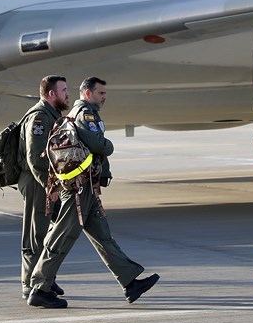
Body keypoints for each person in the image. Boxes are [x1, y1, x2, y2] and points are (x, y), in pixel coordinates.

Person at [27, 77, 159, 308]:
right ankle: (39, 288)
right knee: (63, 236)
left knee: (103, 237)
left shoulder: (84, 111)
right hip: (79, 188)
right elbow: (97, 143)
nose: (104, 97)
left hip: (85, 185)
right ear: (88, 94)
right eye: (100, 93)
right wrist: (110, 146)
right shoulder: (85, 113)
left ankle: (130, 282)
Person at [18, 75, 69, 300]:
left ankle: (46, 279)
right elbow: (35, 158)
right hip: (37, 181)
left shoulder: (52, 115)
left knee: (49, 233)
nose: (67, 94)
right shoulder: (39, 117)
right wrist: (50, 186)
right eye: (63, 90)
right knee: (35, 234)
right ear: (51, 94)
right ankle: (30, 285)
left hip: (46, 181)